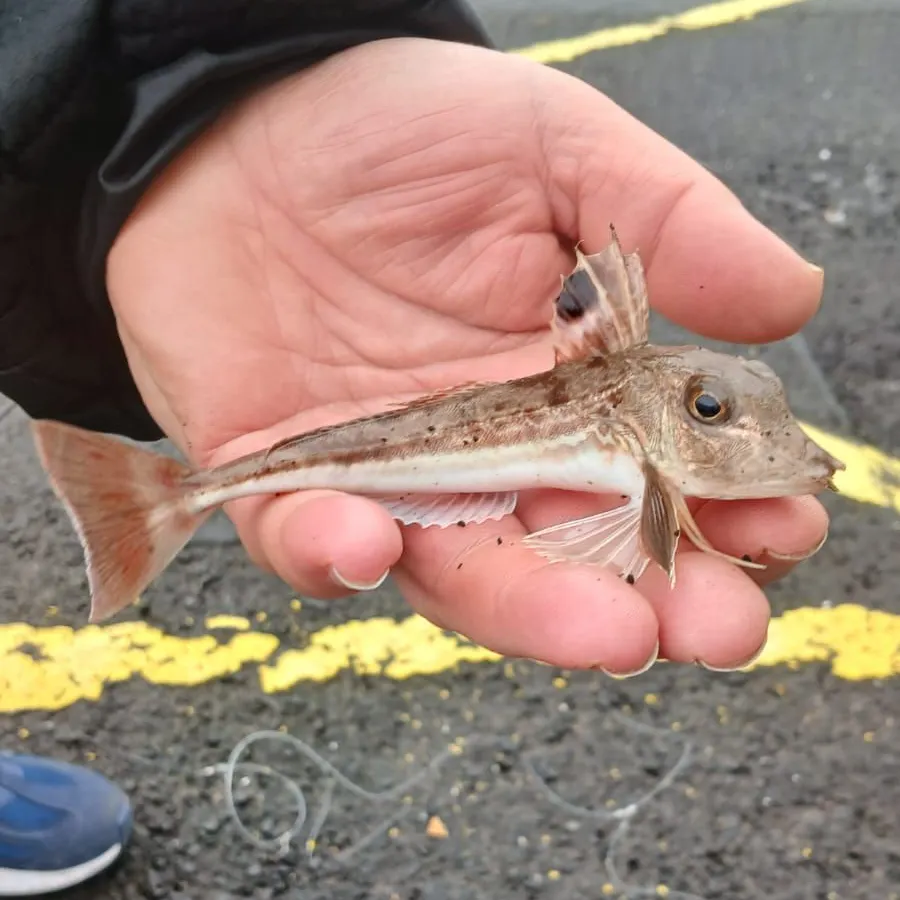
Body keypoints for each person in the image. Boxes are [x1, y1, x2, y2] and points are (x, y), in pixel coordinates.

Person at [0, 0, 830, 892]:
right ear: (656, 413)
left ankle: (171, 494)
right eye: (709, 410)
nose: (750, 434)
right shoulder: (632, 434)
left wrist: (258, 57)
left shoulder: (640, 428)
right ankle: (167, 496)